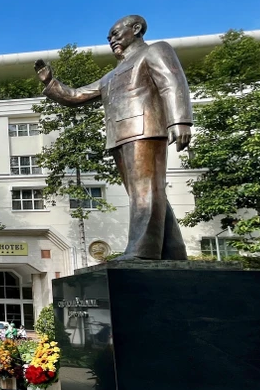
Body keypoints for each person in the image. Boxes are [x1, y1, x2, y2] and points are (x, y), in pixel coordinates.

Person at [37, 15, 192, 260]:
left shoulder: (155, 51)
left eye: (116, 33)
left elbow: (172, 83)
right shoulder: (110, 76)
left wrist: (180, 120)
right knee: (146, 193)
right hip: (119, 136)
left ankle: (142, 251)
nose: (111, 40)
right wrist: (51, 83)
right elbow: (77, 96)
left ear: (136, 29)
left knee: (145, 192)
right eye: (109, 37)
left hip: (146, 129)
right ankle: (172, 250)